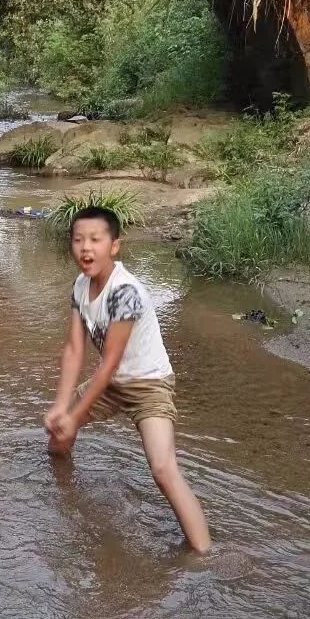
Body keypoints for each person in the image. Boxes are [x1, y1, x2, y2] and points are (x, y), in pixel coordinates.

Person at [43, 205, 211, 554]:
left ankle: (204, 555)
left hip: (148, 385)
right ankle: (62, 493)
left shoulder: (126, 293)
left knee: (164, 470)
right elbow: (74, 350)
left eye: (95, 240)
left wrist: (74, 416)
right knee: (57, 438)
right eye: (78, 240)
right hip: (112, 383)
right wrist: (61, 408)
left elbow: (108, 364)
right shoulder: (79, 286)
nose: (86, 248)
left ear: (114, 246)